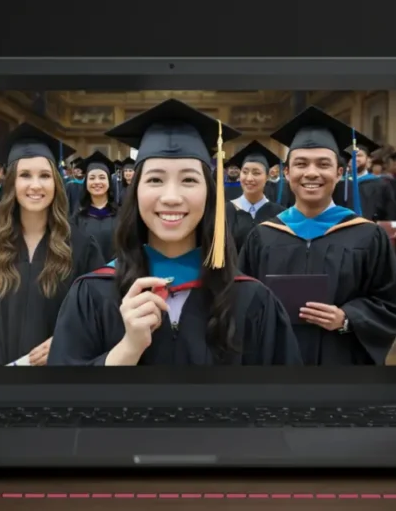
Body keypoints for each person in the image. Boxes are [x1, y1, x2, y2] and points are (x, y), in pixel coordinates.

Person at [48, 99, 303, 367]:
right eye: (155, 180)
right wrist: (127, 350)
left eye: (189, 180)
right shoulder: (91, 294)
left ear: (210, 193)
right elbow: (61, 403)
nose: (171, 197)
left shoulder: (252, 301)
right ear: (135, 192)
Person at [237, 106, 396, 366]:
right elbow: (240, 302)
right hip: (275, 366)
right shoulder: (262, 236)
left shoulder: (367, 235)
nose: (312, 173)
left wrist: (347, 317)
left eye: (324, 164)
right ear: (286, 173)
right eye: (301, 164)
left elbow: (392, 303)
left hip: (342, 365)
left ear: (340, 173)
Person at [0, 123, 104, 368]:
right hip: (1, 392)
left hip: (65, 389)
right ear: (12, 184)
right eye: (25, 175)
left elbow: (100, 317)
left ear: (56, 184)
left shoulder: (81, 248)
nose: (36, 185)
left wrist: (69, 341)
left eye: (45, 175)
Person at [224, 141, 286, 250]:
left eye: (256, 173)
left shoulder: (280, 214)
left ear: (267, 177)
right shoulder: (225, 211)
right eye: (245, 172)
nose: (249, 178)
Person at [333, 136, 396, 222]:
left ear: (368, 161)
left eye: (359, 155)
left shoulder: (381, 185)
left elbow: (392, 214)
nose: (354, 159)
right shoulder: (339, 184)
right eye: (351, 156)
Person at [70, 150, 119, 262]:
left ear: (109, 182)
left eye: (102, 177)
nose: (97, 182)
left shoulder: (121, 215)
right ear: (86, 183)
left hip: (116, 274)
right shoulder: (77, 218)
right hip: (87, 276)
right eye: (92, 178)